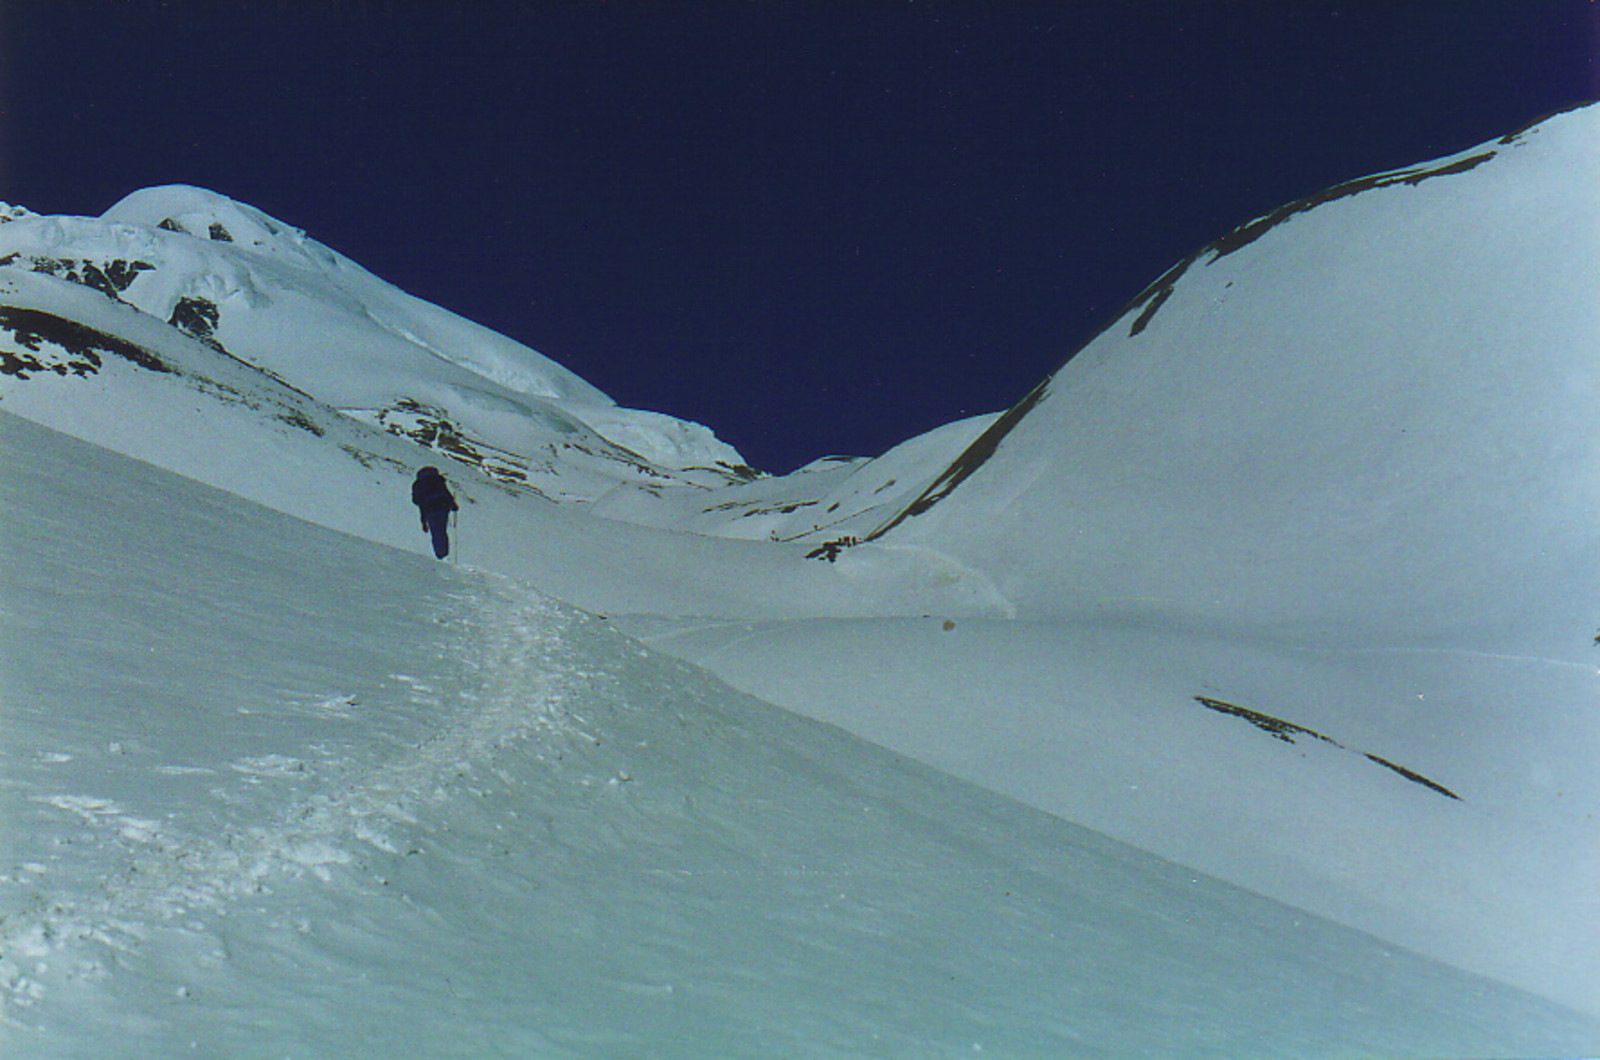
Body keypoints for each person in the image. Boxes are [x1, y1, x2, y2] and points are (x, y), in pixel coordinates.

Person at [411, 466, 458, 559]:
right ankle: (443, 552)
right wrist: (453, 505)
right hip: (442, 508)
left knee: (436, 531)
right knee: (441, 530)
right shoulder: (438, 480)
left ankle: (440, 554)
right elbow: (446, 493)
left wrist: (423, 522)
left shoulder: (419, 484)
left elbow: (418, 502)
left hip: (429, 510)